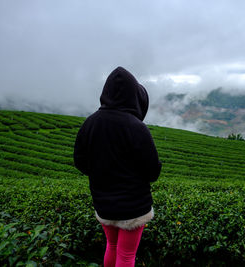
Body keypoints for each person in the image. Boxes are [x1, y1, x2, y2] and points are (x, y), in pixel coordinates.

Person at [74, 66, 162, 267]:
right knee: (126, 255)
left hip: (103, 202)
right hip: (134, 206)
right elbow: (152, 170)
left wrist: (100, 174)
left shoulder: (90, 123)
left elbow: (80, 162)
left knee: (111, 247)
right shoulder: (136, 127)